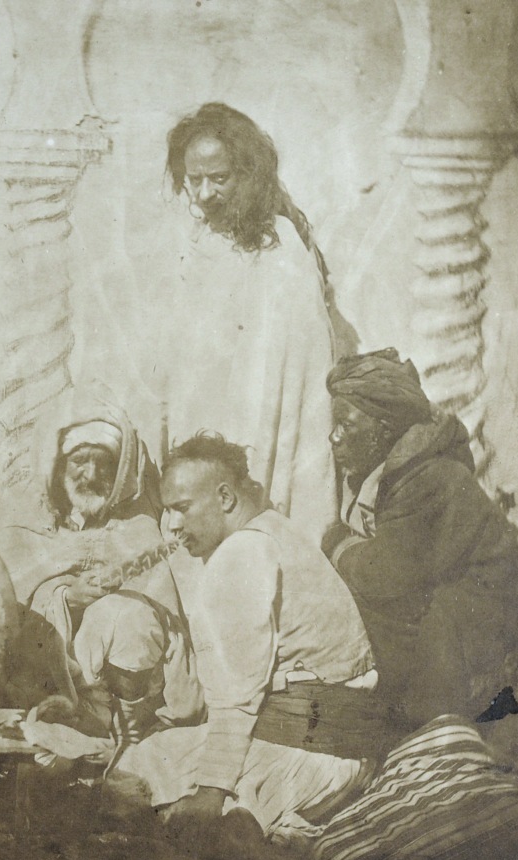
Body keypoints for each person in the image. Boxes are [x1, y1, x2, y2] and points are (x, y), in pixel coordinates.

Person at [119, 433, 383, 842]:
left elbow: (236, 699)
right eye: (168, 510)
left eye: (182, 508)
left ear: (225, 497)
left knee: (131, 773)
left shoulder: (240, 553)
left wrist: (210, 794)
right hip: (352, 755)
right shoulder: (277, 529)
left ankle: (241, 828)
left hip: (307, 759)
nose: (172, 525)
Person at [323, 348, 518, 727]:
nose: (334, 437)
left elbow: (384, 573)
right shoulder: (391, 472)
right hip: (450, 611)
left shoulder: (427, 479)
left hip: (487, 621)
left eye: (346, 425)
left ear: (384, 428)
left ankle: (433, 729)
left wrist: (338, 547)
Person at [154, 102, 340, 541]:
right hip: (201, 421)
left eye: (219, 178)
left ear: (248, 174)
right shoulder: (196, 244)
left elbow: (293, 367)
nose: (205, 194)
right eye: (194, 180)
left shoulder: (280, 250)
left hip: (256, 425)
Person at [0, 391, 201, 725]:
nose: (91, 474)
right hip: (38, 677)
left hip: (122, 688)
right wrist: (65, 599)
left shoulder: (138, 523)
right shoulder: (22, 516)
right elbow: (1, 607)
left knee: (127, 615)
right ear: (59, 464)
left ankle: (123, 727)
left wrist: (114, 602)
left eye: (104, 463)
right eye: (80, 461)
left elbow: (161, 605)